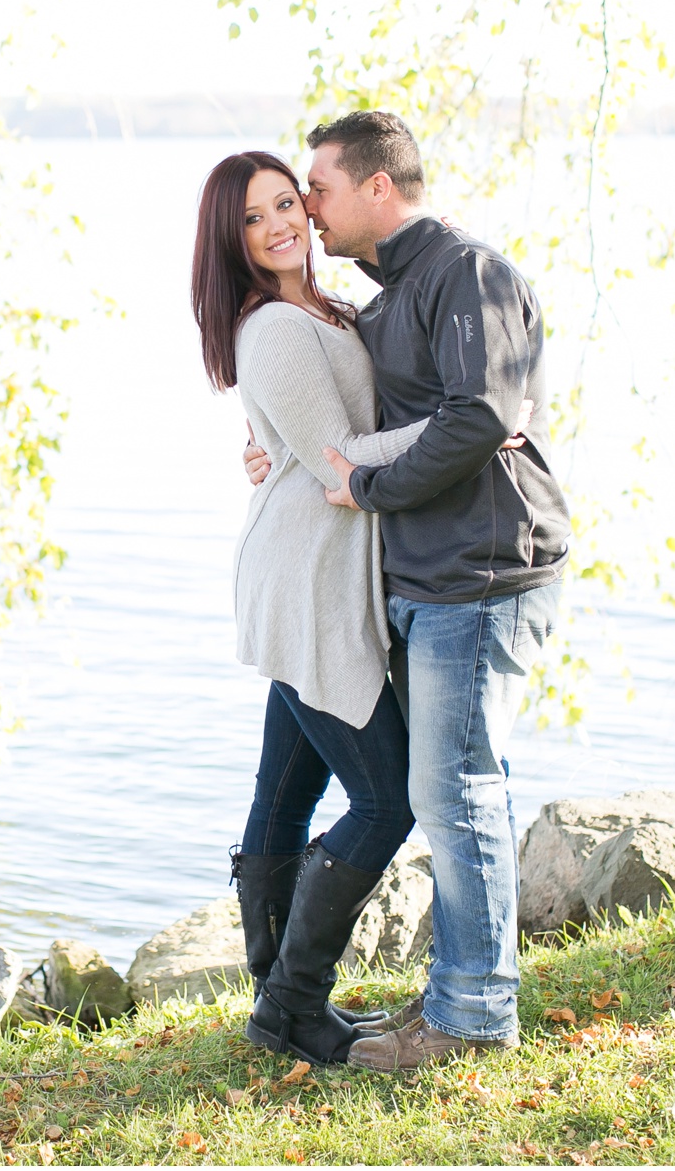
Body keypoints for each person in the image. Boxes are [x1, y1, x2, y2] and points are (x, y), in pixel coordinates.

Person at [244, 111, 569, 1071]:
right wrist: (287, 452)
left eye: (317, 189)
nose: (307, 207)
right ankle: (294, 1000)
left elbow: (477, 417)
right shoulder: (379, 305)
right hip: (412, 579)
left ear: (378, 186)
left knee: (448, 790)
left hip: (481, 571)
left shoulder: (464, 273)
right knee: (436, 787)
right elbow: (370, 423)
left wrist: (353, 476)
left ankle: (468, 1013)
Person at [189, 150, 430, 1067]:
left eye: (287, 202)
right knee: (384, 798)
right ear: (233, 240)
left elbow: (303, 445)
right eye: (254, 218)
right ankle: (293, 1000)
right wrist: (467, 427)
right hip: (307, 581)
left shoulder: (324, 310)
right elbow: (340, 457)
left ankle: (274, 999)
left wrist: (271, 448)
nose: (279, 224)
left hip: (316, 568)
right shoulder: (274, 329)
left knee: (285, 795)